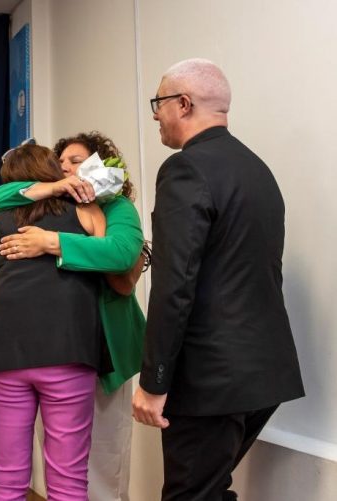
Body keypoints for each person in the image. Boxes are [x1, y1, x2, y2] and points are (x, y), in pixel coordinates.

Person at [131, 58, 305, 501]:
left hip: (210, 378)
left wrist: (154, 381)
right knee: (208, 490)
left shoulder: (185, 169)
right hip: (263, 373)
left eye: (158, 103)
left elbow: (174, 284)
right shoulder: (257, 170)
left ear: (183, 104)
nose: (155, 115)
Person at [0, 132, 146, 501]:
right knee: (59, 468)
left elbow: (120, 255)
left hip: (104, 343)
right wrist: (49, 189)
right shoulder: (46, 202)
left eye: (76, 161)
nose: (67, 167)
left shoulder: (114, 206)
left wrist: (51, 243)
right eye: (61, 162)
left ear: (100, 165)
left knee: (103, 461)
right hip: (63, 348)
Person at [0, 143, 107, 500]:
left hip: (3, 356)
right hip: (69, 350)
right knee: (68, 479)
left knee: (7, 478)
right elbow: (108, 265)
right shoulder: (87, 213)